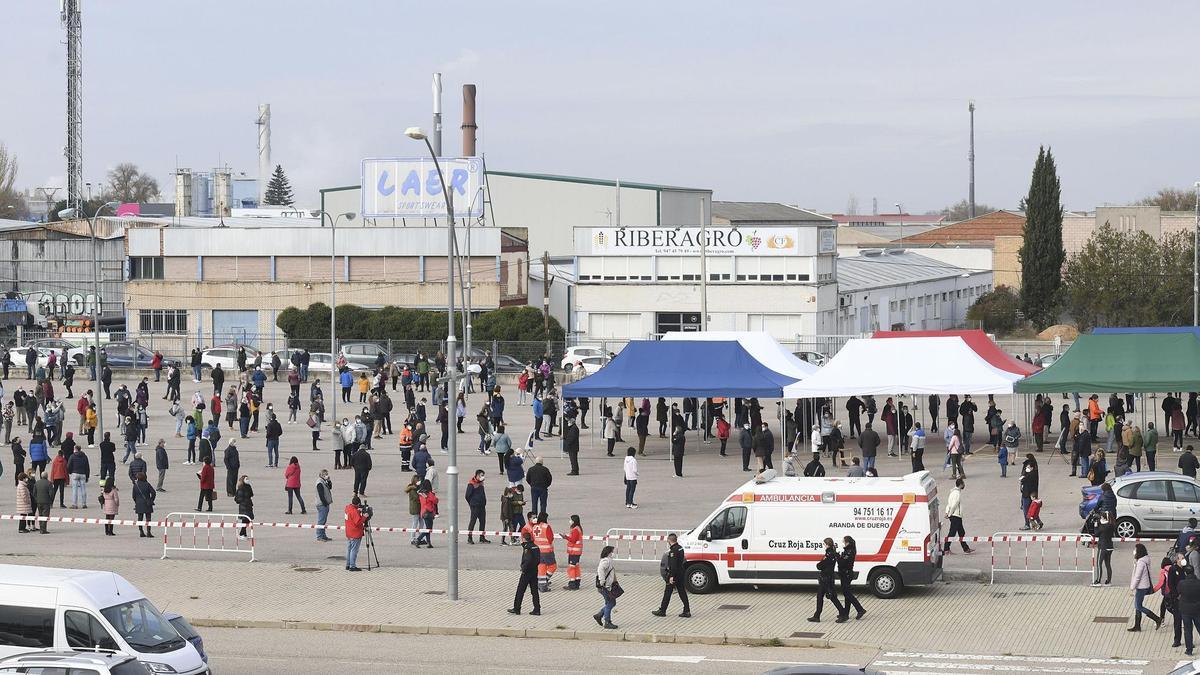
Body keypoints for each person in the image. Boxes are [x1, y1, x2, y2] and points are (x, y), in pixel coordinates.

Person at [652, 533, 692, 618]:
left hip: (674, 575)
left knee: (667, 593)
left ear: (669, 540)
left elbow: (673, 565)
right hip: (681, 573)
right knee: (682, 592)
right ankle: (687, 610)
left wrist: (671, 577)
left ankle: (662, 610)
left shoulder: (673, 551)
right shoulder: (680, 548)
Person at [809, 538, 847, 623]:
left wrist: (819, 563)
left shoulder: (828, 554)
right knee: (821, 597)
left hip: (825, 579)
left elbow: (820, 566)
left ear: (827, 544)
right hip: (828, 578)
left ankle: (843, 614)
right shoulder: (832, 553)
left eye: (824, 544)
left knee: (832, 597)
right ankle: (817, 615)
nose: (824, 546)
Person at [1129, 543, 1163, 631]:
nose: (1134, 551)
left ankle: (1157, 619)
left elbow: (1137, 577)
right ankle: (1137, 625)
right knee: (1138, 605)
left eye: (1135, 550)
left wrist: (1132, 587)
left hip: (1141, 587)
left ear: (1138, 551)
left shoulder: (1141, 563)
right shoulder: (1144, 560)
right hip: (1144, 585)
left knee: (1138, 606)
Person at [509, 531, 542, 615]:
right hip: (534, 571)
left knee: (520, 590)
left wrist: (523, 568)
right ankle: (537, 609)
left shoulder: (528, 548)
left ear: (524, 539)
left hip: (527, 572)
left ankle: (517, 608)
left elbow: (528, 560)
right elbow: (538, 560)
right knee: (534, 591)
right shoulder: (536, 547)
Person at [837, 535, 867, 621]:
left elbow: (842, 563)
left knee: (848, 594)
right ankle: (846, 613)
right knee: (846, 594)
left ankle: (860, 609)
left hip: (846, 574)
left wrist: (838, 557)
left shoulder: (849, 551)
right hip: (845, 574)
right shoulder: (848, 550)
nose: (843, 544)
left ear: (848, 542)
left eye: (844, 542)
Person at [943, 478, 973, 554]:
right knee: (952, 532)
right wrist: (950, 514)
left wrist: (947, 512)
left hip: (955, 516)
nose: (964, 485)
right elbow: (954, 505)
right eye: (963, 483)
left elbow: (948, 504)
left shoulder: (952, 492)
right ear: (960, 484)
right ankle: (946, 549)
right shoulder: (957, 494)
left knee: (961, 532)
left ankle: (966, 548)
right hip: (956, 516)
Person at [595, 545, 619, 629]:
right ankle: (607, 622)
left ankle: (600, 615)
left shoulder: (607, 560)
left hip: (607, 586)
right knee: (611, 603)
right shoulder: (606, 561)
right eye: (612, 552)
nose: (613, 553)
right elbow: (600, 569)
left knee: (609, 603)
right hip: (606, 587)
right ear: (609, 553)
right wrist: (602, 581)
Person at [466, 469, 490, 544]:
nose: (483, 477)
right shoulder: (471, 484)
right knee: (473, 521)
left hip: (482, 506)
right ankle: (469, 538)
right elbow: (467, 496)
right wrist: (472, 503)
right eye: (481, 475)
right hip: (475, 506)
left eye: (483, 475)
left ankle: (482, 537)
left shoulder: (481, 483)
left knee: (483, 521)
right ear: (477, 475)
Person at [344, 494, 366, 571]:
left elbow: (352, 516)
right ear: (358, 504)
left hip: (349, 532)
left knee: (349, 549)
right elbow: (358, 522)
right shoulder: (354, 512)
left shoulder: (348, 508)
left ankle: (348, 564)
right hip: (355, 533)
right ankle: (352, 566)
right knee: (354, 550)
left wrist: (358, 510)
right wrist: (364, 517)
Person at [132, 471, 156, 538]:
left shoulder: (135, 485)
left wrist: (136, 501)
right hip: (147, 503)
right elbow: (153, 493)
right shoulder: (147, 484)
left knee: (140, 518)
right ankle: (148, 532)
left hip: (139, 503)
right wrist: (151, 499)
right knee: (148, 518)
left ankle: (141, 531)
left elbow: (133, 496)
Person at [1182, 569, 1200, 655]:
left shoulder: (1182, 583)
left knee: (1188, 630)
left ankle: (1189, 650)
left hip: (1186, 610)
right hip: (1197, 609)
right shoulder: (1198, 583)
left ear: (1186, 573)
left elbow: (1179, 592)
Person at [416, 480, 438, 548]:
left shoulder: (421, 493)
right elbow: (435, 500)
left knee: (428, 528)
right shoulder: (429, 494)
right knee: (429, 529)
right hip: (429, 512)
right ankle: (418, 539)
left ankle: (429, 543)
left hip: (423, 511)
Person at [315, 469, 333, 542]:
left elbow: (330, 487)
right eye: (325, 474)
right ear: (322, 475)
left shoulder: (324, 481)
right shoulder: (320, 483)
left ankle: (323, 535)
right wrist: (325, 503)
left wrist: (329, 481)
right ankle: (319, 536)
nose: (327, 475)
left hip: (325, 504)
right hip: (322, 504)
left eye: (327, 474)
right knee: (321, 520)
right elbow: (321, 495)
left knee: (324, 520)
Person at [234, 475, 254, 539]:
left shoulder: (248, 486)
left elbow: (251, 494)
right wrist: (243, 501)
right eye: (246, 479)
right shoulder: (241, 488)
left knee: (248, 520)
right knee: (245, 520)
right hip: (244, 506)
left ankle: (244, 533)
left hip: (249, 505)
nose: (248, 480)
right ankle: (241, 533)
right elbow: (238, 499)